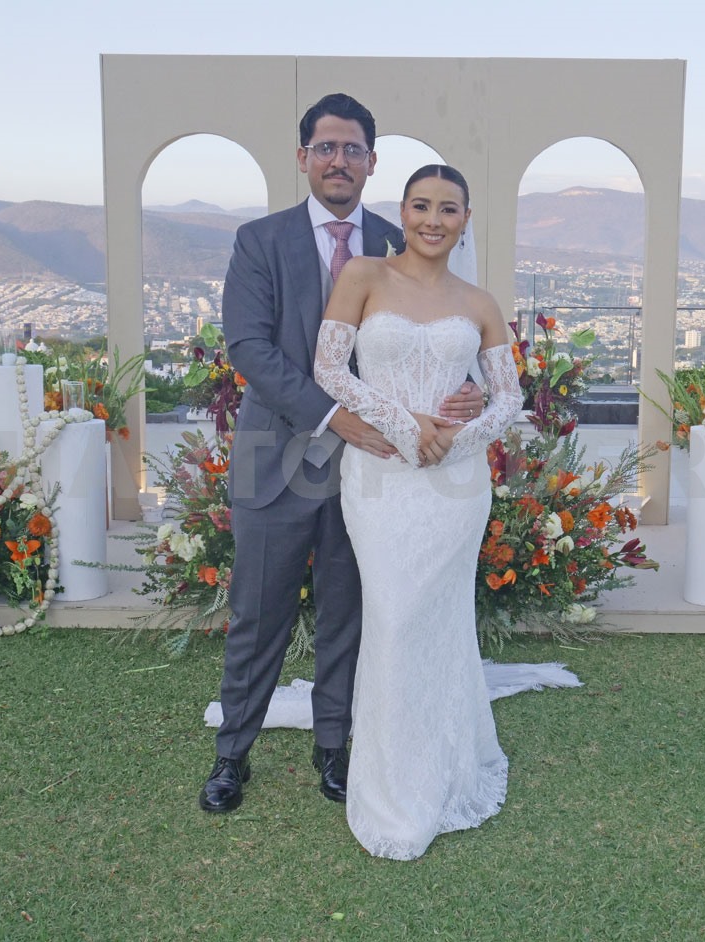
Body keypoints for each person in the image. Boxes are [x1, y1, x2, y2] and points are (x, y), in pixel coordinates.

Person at [199, 94, 482, 814]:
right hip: (278, 455)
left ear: (371, 162)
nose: (338, 160)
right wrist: (339, 418)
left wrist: (469, 390)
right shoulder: (259, 241)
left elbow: (446, 335)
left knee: (350, 614)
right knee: (257, 612)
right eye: (325, 147)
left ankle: (335, 748)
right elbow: (250, 349)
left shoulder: (400, 237)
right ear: (304, 157)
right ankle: (232, 755)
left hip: (379, 470)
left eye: (352, 149)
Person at [314, 164, 524, 860]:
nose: (434, 220)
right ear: (402, 211)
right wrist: (407, 426)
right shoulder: (363, 276)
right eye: (422, 206)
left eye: (449, 209)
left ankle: (446, 760)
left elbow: (509, 398)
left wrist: (456, 438)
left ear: (466, 219)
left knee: (439, 619)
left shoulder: (480, 301)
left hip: (454, 483)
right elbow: (329, 371)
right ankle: (390, 788)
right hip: (380, 472)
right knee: (396, 616)